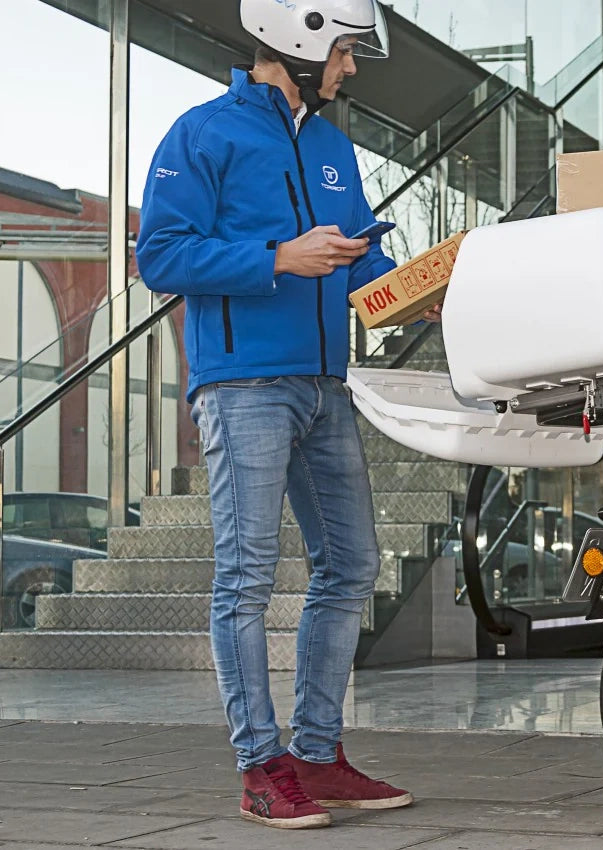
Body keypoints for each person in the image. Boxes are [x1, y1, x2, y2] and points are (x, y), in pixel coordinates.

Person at [136, 0, 435, 830]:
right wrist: (277, 258)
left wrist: (419, 292)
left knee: (352, 564)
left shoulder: (333, 146)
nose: (350, 68)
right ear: (298, 41)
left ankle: (316, 755)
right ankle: (260, 769)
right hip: (244, 385)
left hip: (324, 384)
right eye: (343, 52)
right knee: (246, 577)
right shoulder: (204, 133)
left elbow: (361, 262)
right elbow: (160, 253)